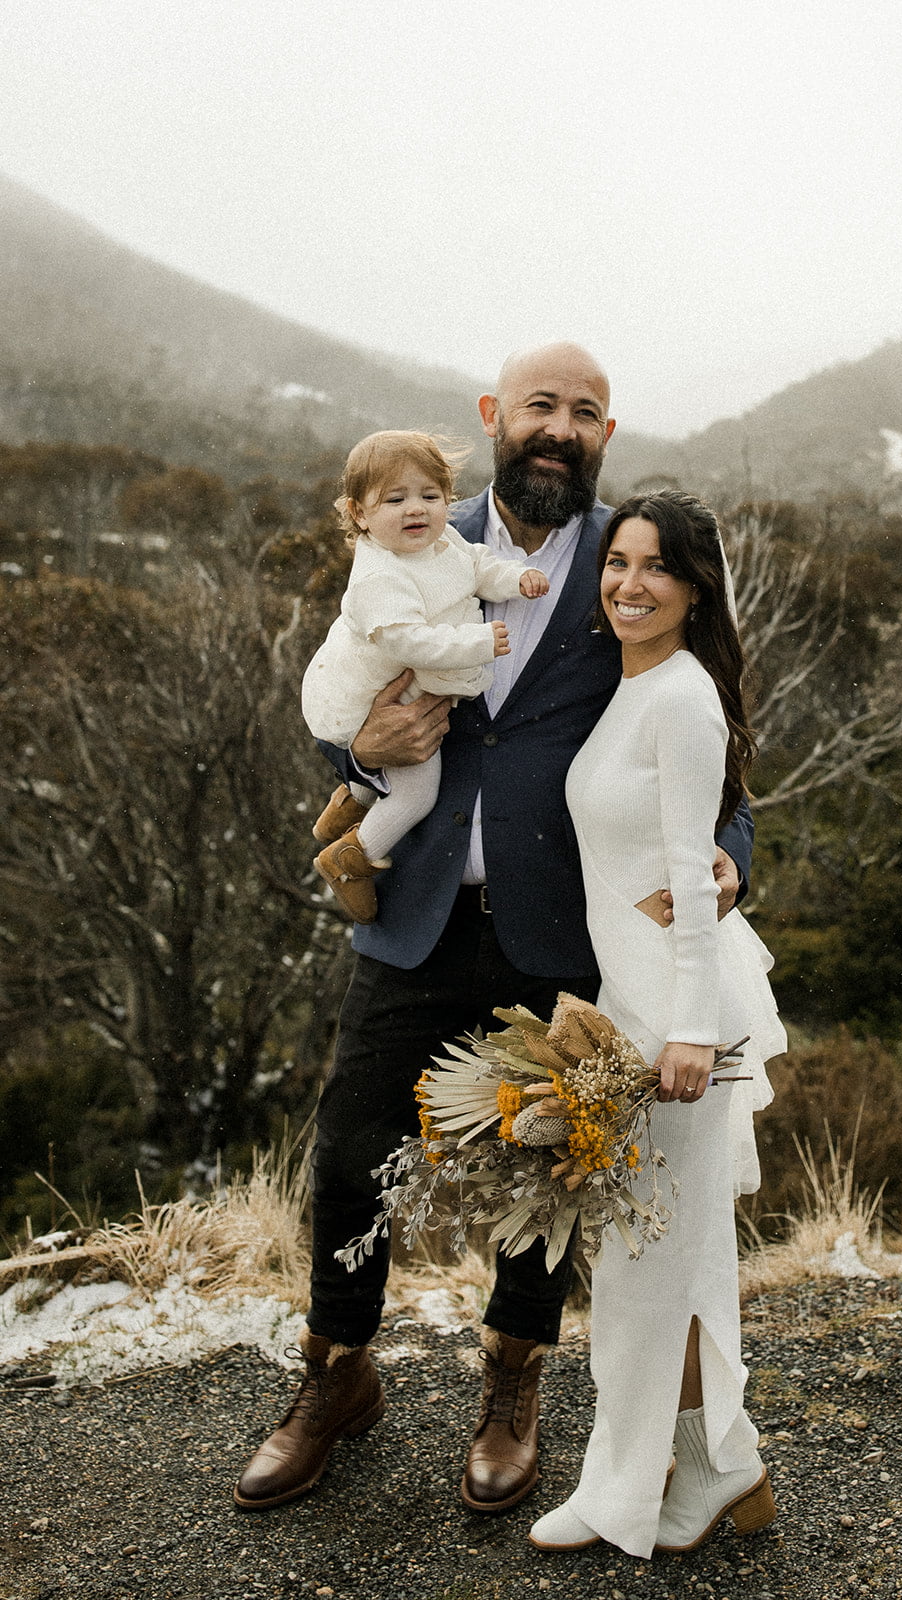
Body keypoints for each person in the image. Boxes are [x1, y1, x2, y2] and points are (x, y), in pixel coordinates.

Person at [233, 344, 755, 1515]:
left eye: (583, 412)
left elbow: (706, 720)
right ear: (494, 416)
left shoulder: (631, 561)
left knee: (547, 1166)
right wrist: (357, 748)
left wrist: (727, 854)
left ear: (604, 433)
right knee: (351, 1144)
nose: (558, 428)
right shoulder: (409, 526)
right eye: (539, 407)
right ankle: (335, 1370)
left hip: (561, 931)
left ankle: (511, 1380)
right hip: (414, 914)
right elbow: (343, 674)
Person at [528, 491, 787, 1559]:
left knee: (648, 1267)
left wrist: (686, 1029)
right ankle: (718, 1467)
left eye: (656, 568)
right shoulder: (631, 684)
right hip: (631, 1007)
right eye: (616, 563)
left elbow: (688, 870)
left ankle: (631, 1489)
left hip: (680, 1023)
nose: (629, 584)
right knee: (664, 1260)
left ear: (695, 588)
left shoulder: (679, 697)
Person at [302, 430, 549, 923]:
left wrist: (514, 579)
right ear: (359, 513)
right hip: (368, 698)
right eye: (395, 500)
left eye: (430, 496)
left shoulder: (443, 542)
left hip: (399, 690)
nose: (416, 509)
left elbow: (477, 567)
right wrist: (477, 643)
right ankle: (350, 858)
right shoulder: (378, 576)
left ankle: (346, 808)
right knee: (416, 792)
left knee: (396, 755)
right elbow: (408, 642)